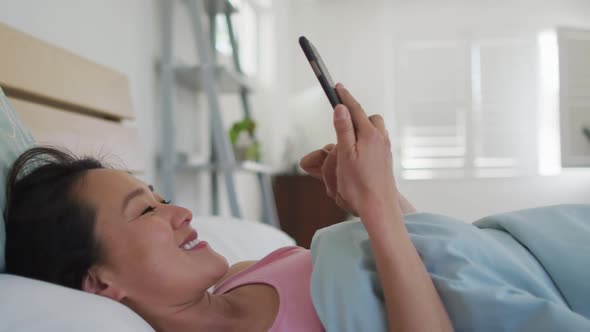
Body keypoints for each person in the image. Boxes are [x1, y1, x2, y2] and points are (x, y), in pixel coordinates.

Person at [4, 84, 453, 332]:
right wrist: (376, 209)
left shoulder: (246, 272)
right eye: (144, 212)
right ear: (100, 282)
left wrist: (379, 196)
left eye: (161, 199)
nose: (181, 213)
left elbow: (434, 266)